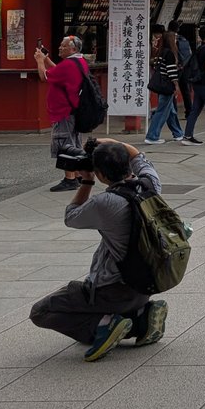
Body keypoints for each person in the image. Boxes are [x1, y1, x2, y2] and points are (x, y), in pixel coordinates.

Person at [29, 138, 168, 361]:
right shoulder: (150, 184)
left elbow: (71, 217)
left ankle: (106, 326)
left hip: (112, 290)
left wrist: (86, 182)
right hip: (146, 285)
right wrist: (111, 143)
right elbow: (138, 156)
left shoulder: (106, 202)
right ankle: (143, 315)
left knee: (41, 312)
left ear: (101, 174)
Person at [36, 35, 92, 192]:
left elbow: (44, 76)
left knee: (65, 143)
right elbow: (57, 72)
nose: (60, 48)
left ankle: (70, 179)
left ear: (73, 49)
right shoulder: (78, 61)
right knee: (74, 143)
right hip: (73, 110)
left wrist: (40, 60)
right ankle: (78, 174)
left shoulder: (69, 65)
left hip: (64, 112)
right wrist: (46, 60)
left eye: (63, 46)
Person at [143, 31, 184, 145]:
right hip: (167, 86)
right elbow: (171, 71)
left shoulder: (161, 52)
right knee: (162, 111)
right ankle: (152, 136)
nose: (176, 40)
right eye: (175, 38)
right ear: (171, 40)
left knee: (170, 111)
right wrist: (176, 85)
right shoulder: (170, 53)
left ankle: (178, 133)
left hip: (161, 86)